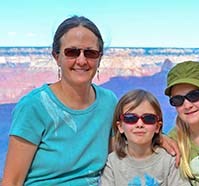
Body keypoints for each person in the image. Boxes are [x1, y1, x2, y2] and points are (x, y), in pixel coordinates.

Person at [2, 16, 178, 186]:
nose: (81, 60)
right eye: (72, 52)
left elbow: (120, 151)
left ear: (99, 58)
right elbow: (12, 181)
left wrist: (157, 138)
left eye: (90, 53)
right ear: (57, 57)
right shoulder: (34, 106)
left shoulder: (108, 102)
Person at [100, 89, 190, 186]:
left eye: (148, 118)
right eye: (131, 118)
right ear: (120, 126)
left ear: (157, 127)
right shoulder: (112, 163)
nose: (139, 124)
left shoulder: (169, 161)